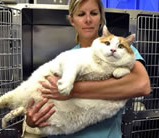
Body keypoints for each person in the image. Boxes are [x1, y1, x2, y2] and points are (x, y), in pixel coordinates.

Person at [23, 0, 151, 138]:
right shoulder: (68, 58)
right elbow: (45, 97)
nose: (88, 20)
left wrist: (73, 90)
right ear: (72, 20)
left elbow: (142, 85)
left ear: (101, 18)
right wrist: (31, 122)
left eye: (94, 13)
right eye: (81, 14)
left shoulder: (122, 50)